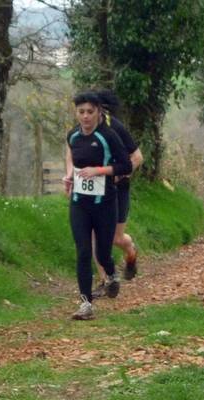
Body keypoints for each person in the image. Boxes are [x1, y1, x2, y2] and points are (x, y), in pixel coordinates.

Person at [63, 92, 133, 320]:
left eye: (90, 112)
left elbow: (125, 166)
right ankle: (86, 305)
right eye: (81, 112)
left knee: (102, 254)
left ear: (98, 112)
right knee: (83, 252)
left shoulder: (108, 136)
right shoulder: (73, 136)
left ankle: (111, 275)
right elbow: (73, 161)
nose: (85, 116)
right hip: (79, 204)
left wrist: (99, 171)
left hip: (105, 204)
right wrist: (69, 177)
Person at [91, 90, 143, 298]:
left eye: (93, 109)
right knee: (95, 235)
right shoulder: (84, 130)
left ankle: (130, 250)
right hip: (95, 189)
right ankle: (105, 281)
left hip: (118, 188)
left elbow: (137, 157)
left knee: (115, 238)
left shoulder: (116, 127)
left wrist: (118, 175)